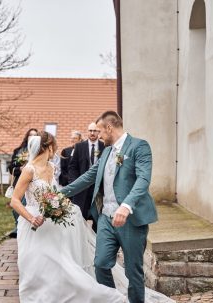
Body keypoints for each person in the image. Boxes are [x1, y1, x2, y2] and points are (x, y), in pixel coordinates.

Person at [10, 131, 125, 303]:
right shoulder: (29, 170)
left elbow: (53, 193)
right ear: (47, 147)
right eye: (53, 147)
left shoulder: (51, 167)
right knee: (34, 262)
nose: (55, 151)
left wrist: (60, 206)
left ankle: (59, 294)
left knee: (57, 261)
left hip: (52, 221)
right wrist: (31, 218)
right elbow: (14, 201)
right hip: (33, 222)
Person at [61, 111, 158, 303]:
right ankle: (112, 300)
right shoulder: (105, 151)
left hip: (131, 219)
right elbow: (89, 176)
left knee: (133, 270)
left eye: (99, 131)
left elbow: (143, 179)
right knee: (101, 264)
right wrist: (60, 194)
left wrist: (126, 206)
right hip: (105, 217)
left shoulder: (139, 146)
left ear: (109, 128)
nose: (97, 135)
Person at [69, 123, 105, 231]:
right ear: (87, 132)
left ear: (98, 132)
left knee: (98, 215)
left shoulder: (105, 146)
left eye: (95, 131)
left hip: (99, 188)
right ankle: (80, 238)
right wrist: (75, 183)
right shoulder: (79, 147)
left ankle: (96, 240)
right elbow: (72, 166)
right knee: (80, 215)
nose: (92, 133)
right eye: (90, 130)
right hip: (82, 188)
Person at [7, 128, 38, 238]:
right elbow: (11, 168)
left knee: (26, 206)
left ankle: (24, 230)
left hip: (33, 183)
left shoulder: (39, 151)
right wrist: (20, 169)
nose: (32, 137)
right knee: (16, 207)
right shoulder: (19, 151)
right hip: (19, 183)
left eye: (35, 135)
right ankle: (18, 225)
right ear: (27, 137)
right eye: (30, 135)